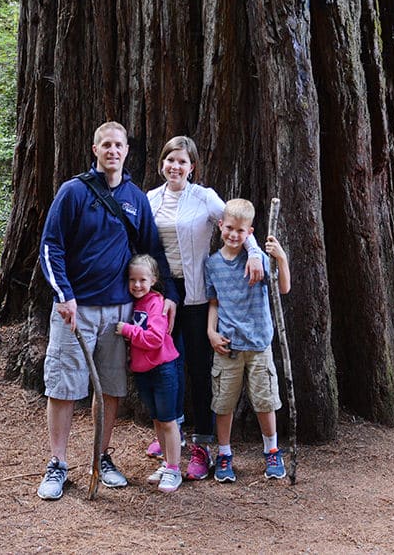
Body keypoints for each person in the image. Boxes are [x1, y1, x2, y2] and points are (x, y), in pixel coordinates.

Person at [36, 121, 178, 501]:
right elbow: (51, 247)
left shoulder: (135, 198)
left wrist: (170, 292)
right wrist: (63, 293)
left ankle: (101, 457)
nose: (113, 151)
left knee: (111, 388)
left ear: (127, 151)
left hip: (119, 312)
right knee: (65, 386)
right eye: (106, 145)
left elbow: (151, 250)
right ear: (95, 149)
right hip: (75, 309)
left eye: (119, 145)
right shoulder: (73, 193)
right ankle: (59, 463)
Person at [146, 136, 264, 480]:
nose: (175, 167)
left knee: (198, 370)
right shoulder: (151, 199)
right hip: (162, 295)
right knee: (166, 366)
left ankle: (202, 446)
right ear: (162, 163)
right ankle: (172, 434)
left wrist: (254, 253)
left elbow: (235, 223)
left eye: (182, 162)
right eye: (170, 160)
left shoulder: (204, 198)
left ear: (192, 167)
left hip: (196, 295)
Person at [205, 198, 291, 482]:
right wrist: (211, 332)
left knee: (265, 400)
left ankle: (272, 450)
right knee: (223, 402)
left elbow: (284, 288)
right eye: (229, 228)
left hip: (258, 344)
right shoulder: (213, 264)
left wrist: (281, 258)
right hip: (227, 346)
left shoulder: (258, 260)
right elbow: (214, 302)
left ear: (249, 232)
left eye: (240, 231)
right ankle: (225, 453)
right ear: (220, 226)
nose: (233, 234)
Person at [115, 254, 183, 493]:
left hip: (162, 368)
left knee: (168, 420)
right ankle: (166, 464)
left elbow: (154, 339)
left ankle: (174, 469)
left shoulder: (156, 303)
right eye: (132, 280)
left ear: (153, 279)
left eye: (142, 279)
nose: (137, 285)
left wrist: (128, 330)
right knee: (157, 420)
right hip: (143, 371)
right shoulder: (133, 304)